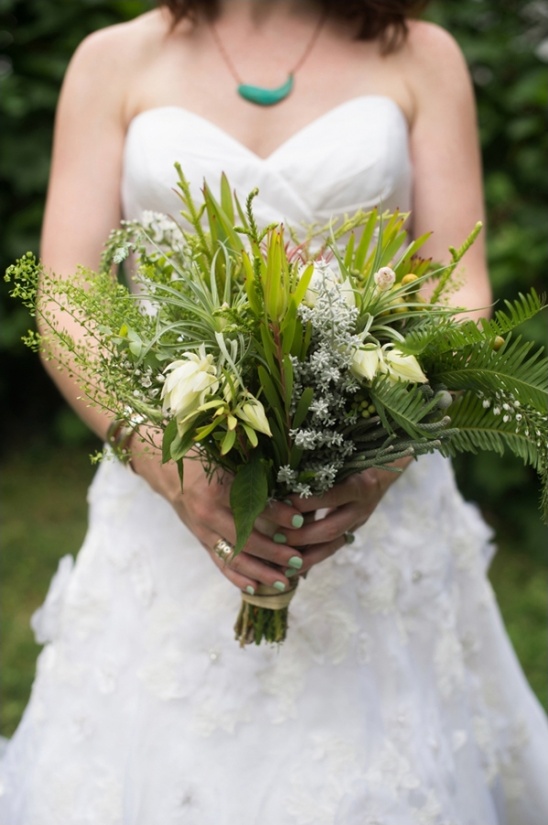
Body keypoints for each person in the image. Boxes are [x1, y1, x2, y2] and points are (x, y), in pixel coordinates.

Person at [1, 1, 547, 822]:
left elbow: (459, 294)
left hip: (367, 511)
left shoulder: (421, 57)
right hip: (167, 500)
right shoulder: (111, 60)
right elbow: (67, 304)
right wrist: (171, 465)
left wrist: (376, 459)